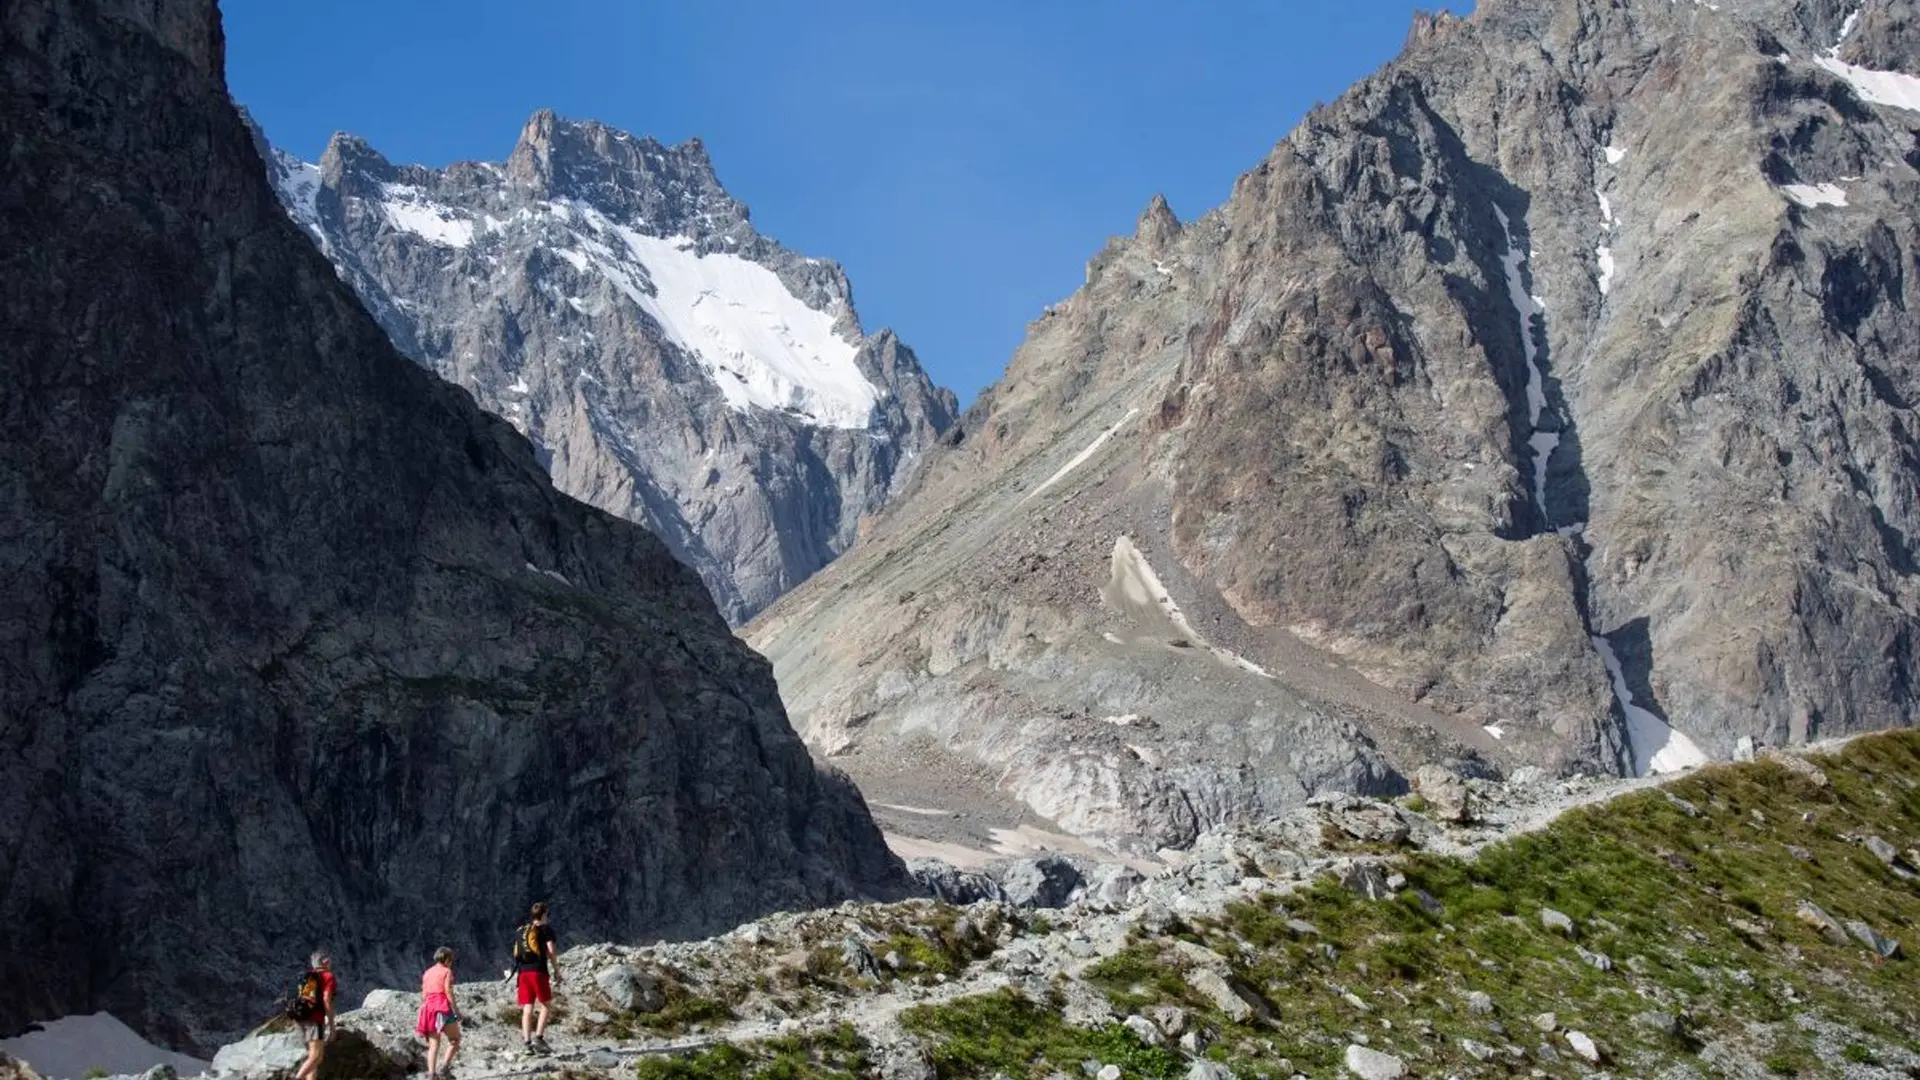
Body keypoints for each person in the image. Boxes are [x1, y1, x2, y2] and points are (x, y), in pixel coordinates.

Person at [514, 902, 561, 1055]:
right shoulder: (545, 929)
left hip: (522, 973)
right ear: (544, 914)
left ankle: (527, 1043)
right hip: (538, 971)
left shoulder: (523, 930)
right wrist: (556, 970)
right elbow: (551, 951)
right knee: (546, 1005)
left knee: (527, 1008)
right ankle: (539, 1038)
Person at [416, 947, 462, 1080]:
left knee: (434, 1043)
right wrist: (456, 1011)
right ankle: (444, 1068)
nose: (451, 962)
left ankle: (431, 1074)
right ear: (447, 959)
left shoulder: (427, 972)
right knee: (455, 1039)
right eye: (451, 960)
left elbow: (424, 994)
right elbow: (448, 991)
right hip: (442, 1007)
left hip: (428, 1008)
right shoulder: (447, 971)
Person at [292, 951, 336, 1080]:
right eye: (330, 961)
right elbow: (327, 999)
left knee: (312, 1058)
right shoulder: (327, 976)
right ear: (325, 962)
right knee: (317, 1057)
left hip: (299, 1018)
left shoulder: (308, 977)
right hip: (314, 1019)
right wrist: (332, 1027)